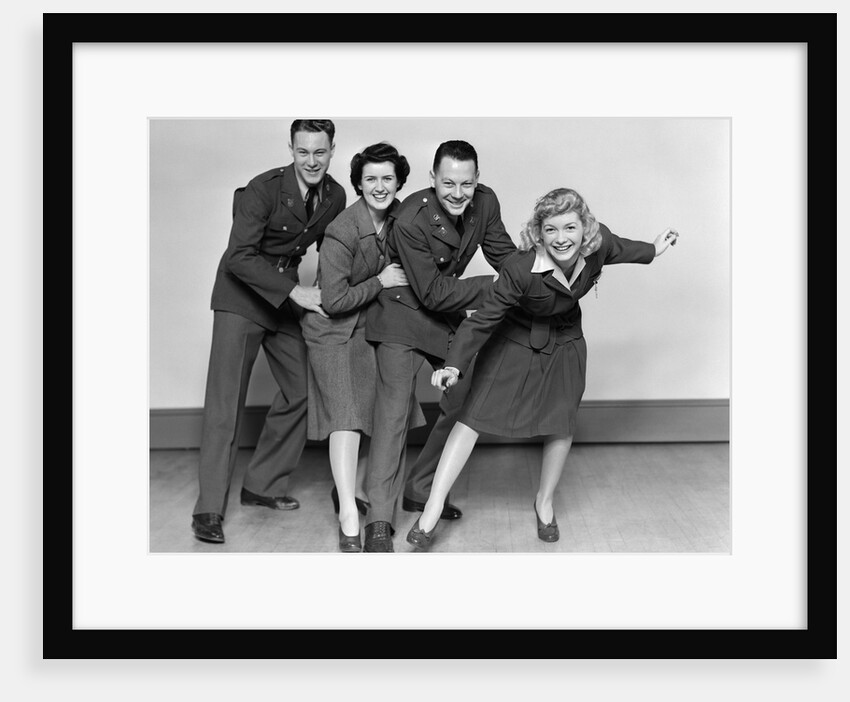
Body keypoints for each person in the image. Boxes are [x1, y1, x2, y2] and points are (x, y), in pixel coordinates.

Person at [406, 187, 679, 551]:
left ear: (585, 229)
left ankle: (544, 503)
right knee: (471, 417)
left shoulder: (599, 245)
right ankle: (432, 509)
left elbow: (625, 249)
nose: (561, 238)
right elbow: (482, 320)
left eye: (569, 228)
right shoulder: (520, 269)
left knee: (561, 421)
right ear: (539, 232)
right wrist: (454, 366)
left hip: (565, 342)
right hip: (514, 340)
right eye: (551, 229)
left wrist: (654, 249)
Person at [191, 119, 346, 544]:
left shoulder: (335, 195)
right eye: (303, 152)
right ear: (291, 149)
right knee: (225, 404)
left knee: (302, 391)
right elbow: (238, 257)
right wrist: (297, 291)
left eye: (320, 152)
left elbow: (337, 251)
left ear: (333, 149)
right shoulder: (262, 189)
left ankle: (261, 484)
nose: (311, 161)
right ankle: (207, 509)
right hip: (242, 296)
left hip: (283, 300)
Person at [362, 140, 517, 552]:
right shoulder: (411, 217)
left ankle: (420, 486)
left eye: (466, 183)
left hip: (443, 315)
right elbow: (430, 292)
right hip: (400, 312)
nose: (457, 193)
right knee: (393, 414)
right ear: (433, 179)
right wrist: (494, 288)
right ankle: (378, 519)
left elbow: (505, 256)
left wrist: (539, 273)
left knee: (464, 399)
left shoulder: (485, 203)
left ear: (477, 180)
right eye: (448, 182)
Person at [300, 142, 425, 552]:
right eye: (370, 178)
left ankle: (356, 490)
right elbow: (333, 302)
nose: (379, 186)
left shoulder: (403, 218)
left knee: (388, 414)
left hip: (369, 330)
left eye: (387, 178)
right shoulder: (342, 229)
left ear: (399, 181)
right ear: (358, 183)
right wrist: (380, 282)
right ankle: (348, 513)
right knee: (347, 416)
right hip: (332, 333)